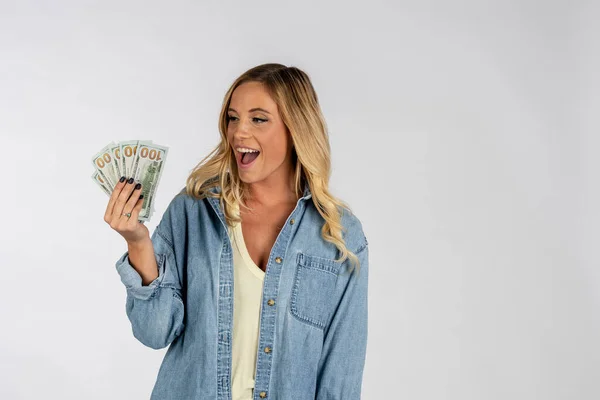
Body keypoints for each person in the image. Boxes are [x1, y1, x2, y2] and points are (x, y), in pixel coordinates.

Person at [104, 63, 369, 399]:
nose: (239, 132)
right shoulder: (193, 211)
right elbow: (155, 332)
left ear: (295, 128)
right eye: (232, 118)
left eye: (258, 119)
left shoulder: (340, 235)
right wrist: (137, 241)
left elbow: (340, 376)